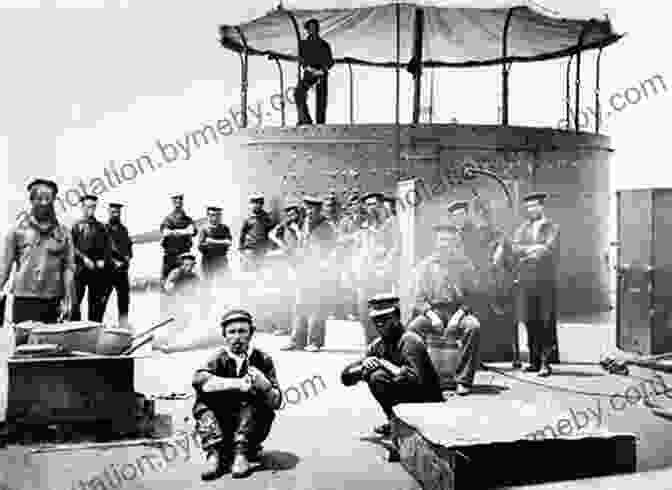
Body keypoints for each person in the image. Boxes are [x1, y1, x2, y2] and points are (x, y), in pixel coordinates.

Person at [192, 309, 282, 480]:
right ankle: (214, 454)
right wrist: (237, 384)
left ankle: (242, 454)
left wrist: (265, 385)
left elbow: (276, 402)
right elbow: (199, 380)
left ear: (251, 333)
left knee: (254, 399)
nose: (237, 337)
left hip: (251, 427)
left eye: (242, 331)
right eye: (232, 332)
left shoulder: (263, 359)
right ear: (224, 335)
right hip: (221, 426)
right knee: (203, 404)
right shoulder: (217, 359)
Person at [341, 294, 444, 438]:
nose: (379, 324)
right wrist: (364, 366)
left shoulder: (410, 340)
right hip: (411, 402)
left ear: (396, 318)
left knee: (378, 376)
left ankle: (400, 423)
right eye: (375, 320)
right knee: (373, 374)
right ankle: (396, 421)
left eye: (384, 319)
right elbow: (346, 377)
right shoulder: (378, 345)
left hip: (429, 406)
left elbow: (416, 380)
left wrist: (385, 364)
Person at [407, 224, 482, 395]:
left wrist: (459, 316)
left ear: (454, 242)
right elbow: (418, 297)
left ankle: (463, 380)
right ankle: (420, 376)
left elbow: (473, 295)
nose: (444, 244)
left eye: (448, 240)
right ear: (435, 242)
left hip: (459, 311)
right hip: (434, 312)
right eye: (441, 240)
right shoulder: (426, 265)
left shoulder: (465, 265)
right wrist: (431, 315)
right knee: (412, 331)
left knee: (473, 327)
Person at [0, 179, 75, 333]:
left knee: (50, 350)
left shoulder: (64, 233)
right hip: (24, 299)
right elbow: (4, 267)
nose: (43, 203)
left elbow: (69, 268)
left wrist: (68, 300)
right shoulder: (16, 232)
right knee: (23, 349)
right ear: (31, 200)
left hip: (53, 299)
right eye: (39, 198)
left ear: (54, 201)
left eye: (48, 199)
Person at [512, 192, 560, 378]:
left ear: (542, 207)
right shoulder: (522, 228)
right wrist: (533, 249)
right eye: (528, 207)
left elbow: (548, 250)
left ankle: (546, 363)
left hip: (545, 281)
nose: (531, 210)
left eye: (535, 206)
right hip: (526, 281)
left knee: (545, 321)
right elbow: (515, 249)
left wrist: (528, 251)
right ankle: (533, 361)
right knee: (530, 320)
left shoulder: (552, 227)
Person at [282, 195, 336, 352]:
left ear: (318, 209)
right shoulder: (304, 224)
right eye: (307, 209)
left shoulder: (326, 226)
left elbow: (333, 249)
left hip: (319, 271)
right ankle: (297, 340)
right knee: (299, 305)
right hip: (303, 269)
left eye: (312, 209)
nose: (309, 212)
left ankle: (314, 342)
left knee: (317, 306)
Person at [355, 192, 401, 345]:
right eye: (367, 205)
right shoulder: (366, 225)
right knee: (363, 310)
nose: (370, 208)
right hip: (365, 275)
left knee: (384, 312)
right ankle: (371, 344)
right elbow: (360, 248)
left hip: (383, 275)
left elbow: (396, 248)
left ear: (381, 205)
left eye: (373, 204)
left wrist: (385, 267)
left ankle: (387, 346)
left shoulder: (392, 223)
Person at [71, 194, 111, 322]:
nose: (91, 210)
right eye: (88, 207)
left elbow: (107, 248)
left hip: (96, 271)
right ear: (82, 207)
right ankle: (74, 330)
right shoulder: (76, 226)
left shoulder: (101, 227)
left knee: (95, 305)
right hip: (79, 270)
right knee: (75, 303)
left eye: (93, 207)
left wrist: (103, 260)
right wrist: (84, 259)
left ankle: (94, 331)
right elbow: (71, 247)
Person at [294, 18, 335, 125]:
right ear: (307, 29)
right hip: (309, 74)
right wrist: (309, 69)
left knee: (321, 99)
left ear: (318, 29)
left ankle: (320, 124)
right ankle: (305, 119)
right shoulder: (303, 44)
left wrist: (322, 70)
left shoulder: (324, 45)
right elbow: (301, 60)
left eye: (315, 27)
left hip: (321, 74)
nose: (313, 30)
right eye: (310, 28)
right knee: (299, 92)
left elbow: (330, 61)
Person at [101, 202, 133, 327]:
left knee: (124, 299)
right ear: (109, 212)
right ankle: (97, 324)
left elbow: (129, 247)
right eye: (113, 212)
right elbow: (102, 248)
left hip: (122, 271)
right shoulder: (104, 228)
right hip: (108, 271)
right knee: (102, 299)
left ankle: (123, 323)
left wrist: (128, 257)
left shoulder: (123, 229)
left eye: (118, 212)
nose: (116, 214)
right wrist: (114, 261)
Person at [160, 194, 196, 281]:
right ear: (172, 202)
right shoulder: (168, 219)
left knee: (184, 281)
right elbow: (166, 232)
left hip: (184, 255)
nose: (178, 201)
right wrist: (184, 231)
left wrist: (174, 232)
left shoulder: (188, 219)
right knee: (166, 280)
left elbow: (191, 231)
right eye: (176, 199)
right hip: (170, 256)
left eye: (180, 199)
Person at [239, 193, 274, 272]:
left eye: (259, 203)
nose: (256, 205)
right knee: (248, 272)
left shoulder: (266, 217)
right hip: (250, 250)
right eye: (253, 203)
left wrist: (269, 248)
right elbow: (242, 234)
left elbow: (270, 232)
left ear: (261, 204)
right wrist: (241, 249)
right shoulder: (248, 218)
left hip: (261, 250)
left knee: (260, 272)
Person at [197, 206, 232, 281]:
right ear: (208, 216)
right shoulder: (204, 229)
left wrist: (211, 241)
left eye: (218, 215)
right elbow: (200, 247)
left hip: (221, 259)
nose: (215, 218)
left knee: (224, 283)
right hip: (208, 260)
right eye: (212, 215)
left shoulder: (225, 228)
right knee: (207, 283)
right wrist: (222, 242)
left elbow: (229, 242)